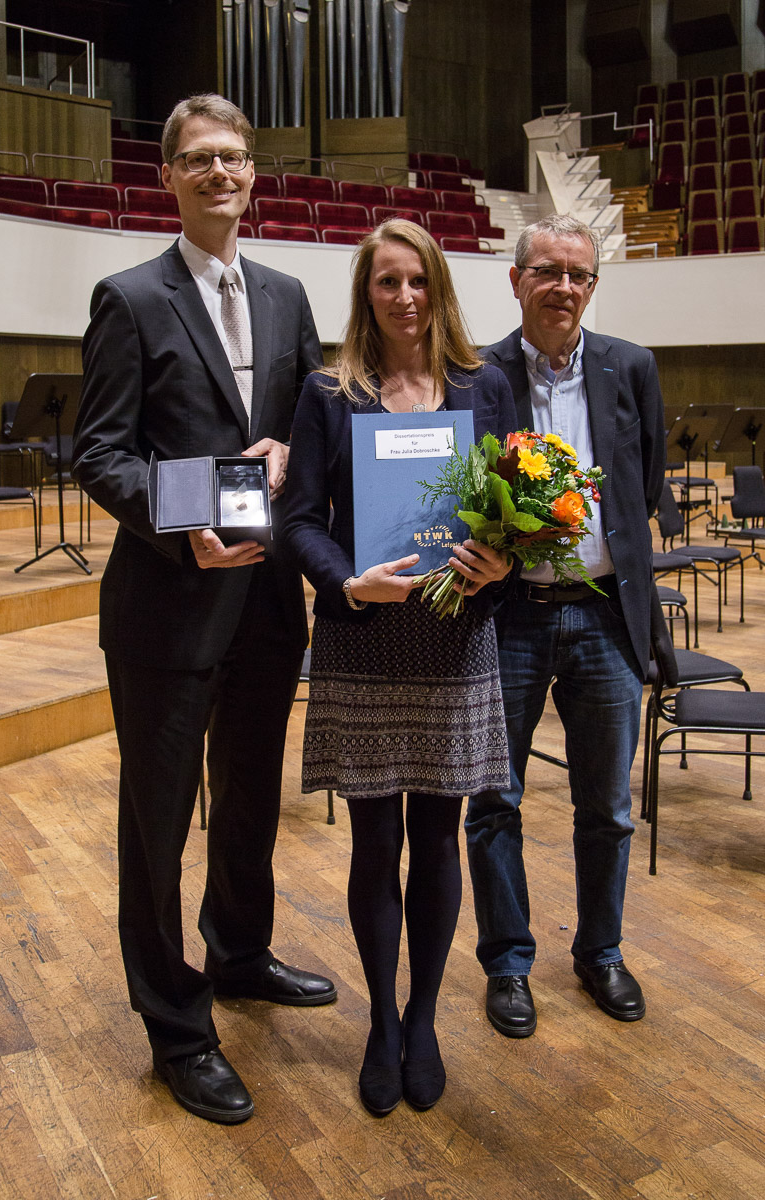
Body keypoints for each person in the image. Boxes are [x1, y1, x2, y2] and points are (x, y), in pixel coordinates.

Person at [72, 94, 335, 1126]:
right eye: (198, 160)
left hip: (265, 602)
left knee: (250, 800)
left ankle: (237, 954)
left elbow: (306, 423)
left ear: (252, 172)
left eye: (234, 157)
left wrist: (288, 451)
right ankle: (176, 1026)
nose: (220, 173)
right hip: (166, 606)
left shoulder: (285, 294)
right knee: (156, 824)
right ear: (169, 177)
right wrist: (176, 518)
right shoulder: (129, 296)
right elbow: (98, 453)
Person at [282, 219, 517, 1116]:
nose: (405, 298)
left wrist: (501, 559)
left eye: (418, 280)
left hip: (456, 641)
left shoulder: (483, 385)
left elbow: (513, 510)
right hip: (365, 638)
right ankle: (381, 1018)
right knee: (376, 841)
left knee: (438, 836)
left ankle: (424, 1019)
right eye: (387, 283)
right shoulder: (328, 392)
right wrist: (346, 581)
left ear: (439, 286)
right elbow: (301, 519)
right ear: (366, 293)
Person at [465, 213, 666, 1038]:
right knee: (494, 801)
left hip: (606, 617)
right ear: (516, 281)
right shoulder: (478, 373)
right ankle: (508, 964)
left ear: (593, 285)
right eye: (546, 272)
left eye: (578, 275)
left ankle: (601, 952)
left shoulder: (632, 367)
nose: (563, 288)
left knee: (608, 809)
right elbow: (466, 490)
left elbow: (642, 486)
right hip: (510, 616)